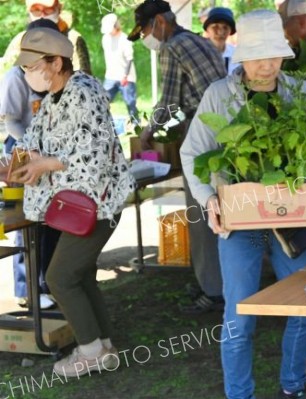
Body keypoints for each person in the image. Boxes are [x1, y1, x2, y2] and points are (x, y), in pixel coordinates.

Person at [180, 9, 306, 399]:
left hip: (293, 218)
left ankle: (293, 385)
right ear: (242, 56)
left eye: (274, 55)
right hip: (241, 219)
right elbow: (194, 155)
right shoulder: (219, 95)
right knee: (239, 314)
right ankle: (239, 394)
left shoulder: (302, 93)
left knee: (303, 305)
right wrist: (209, 200)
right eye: (258, 57)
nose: (267, 65)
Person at [8, 26, 135, 377]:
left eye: (34, 66)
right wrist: (21, 163)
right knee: (81, 276)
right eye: (27, 67)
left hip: (98, 206)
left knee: (60, 277)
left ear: (57, 61)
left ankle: (90, 350)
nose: (29, 72)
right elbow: (33, 139)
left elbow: (90, 154)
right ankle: (104, 347)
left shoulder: (82, 92)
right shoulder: (55, 97)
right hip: (83, 206)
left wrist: (43, 163)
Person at [128, 0, 227, 314]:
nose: (146, 36)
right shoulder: (199, 39)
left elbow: (170, 103)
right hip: (225, 133)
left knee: (201, 212)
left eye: (145, 29)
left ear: (159, 22)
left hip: (204, 137)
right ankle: (219, 282)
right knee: (222, 207)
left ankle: (213, 292)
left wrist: (146, 134)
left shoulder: (173, 46)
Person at [0, 19, 62, 311]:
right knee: (24, 220)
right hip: (22, 153)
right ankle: (27, 289)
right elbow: (9, 119)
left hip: (49, 155)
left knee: (50, 220)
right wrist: (32, 145)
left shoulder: (57, 73)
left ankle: (48, 283)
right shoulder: (15, 76)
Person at [0, 0, 92, 75]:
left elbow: (83, 78)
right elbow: (6, 73)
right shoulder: (20, 40)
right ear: (29, 12)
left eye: (48, 9)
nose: (42, 15)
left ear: (58, 8)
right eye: (36, 10)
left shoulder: (73, 39)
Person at [101, 13, 139, 122]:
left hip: (125, 77)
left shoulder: (125, 39)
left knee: (130, 103)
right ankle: (103, 124)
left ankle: (136, 125)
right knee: (103, 101)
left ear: (116, 26)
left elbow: (129, 59)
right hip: (110, 76)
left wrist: (125, 76)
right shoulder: (105, 39)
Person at [203, 7, 240, 75]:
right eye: (215, 27)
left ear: (230, 31)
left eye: (225, 27)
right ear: (207, 29)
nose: (220, 32)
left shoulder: (237, 55)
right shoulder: (199, 54)